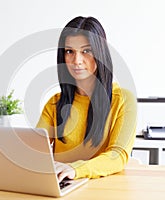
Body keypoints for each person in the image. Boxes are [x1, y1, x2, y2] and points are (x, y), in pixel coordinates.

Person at [36, 16, 137, 182]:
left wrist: (75, 169)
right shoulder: (55, 103)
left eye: (86, 51)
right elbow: (36, 149)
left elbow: (117, 155)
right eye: (70, 51)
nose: (77, 61)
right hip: (63, 186)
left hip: (102, 190)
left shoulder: (123, 99)